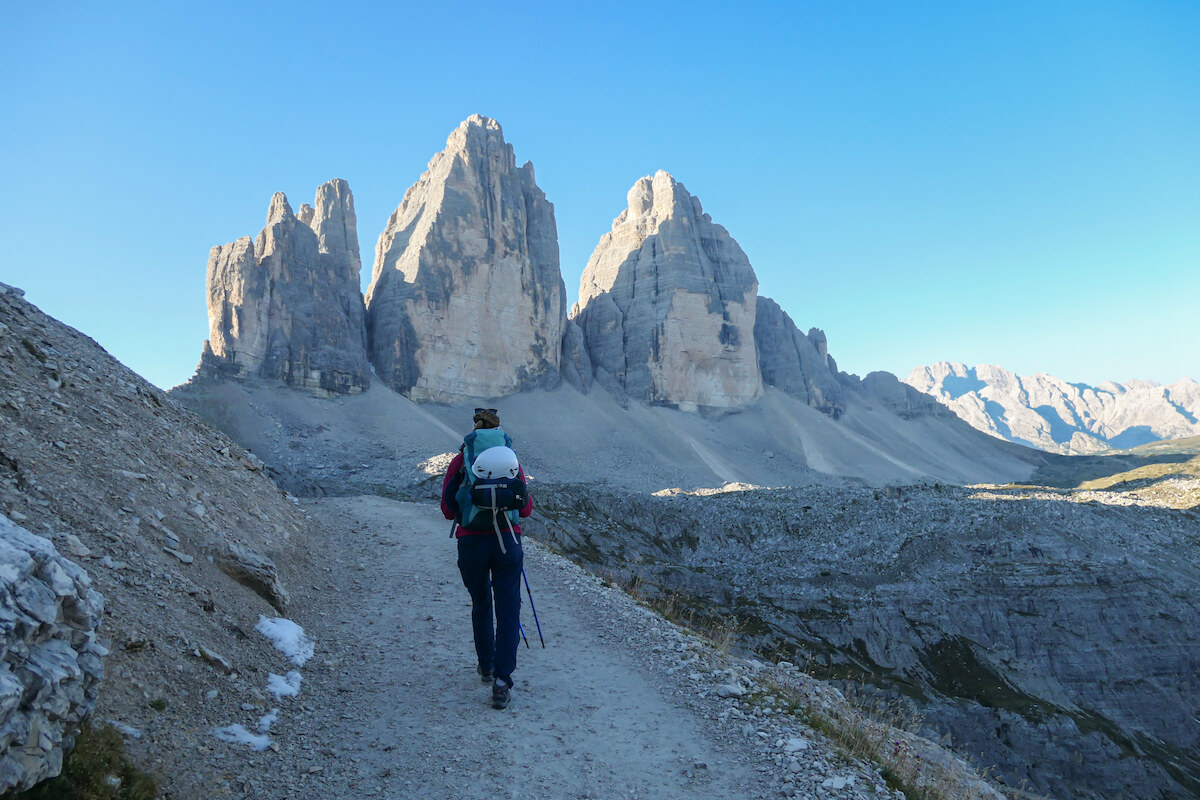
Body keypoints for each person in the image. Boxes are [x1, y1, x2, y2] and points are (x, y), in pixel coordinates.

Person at [440, 407, 532, 709]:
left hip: (471, 544)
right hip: (507, 541)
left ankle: (487, 665)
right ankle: (502, 683)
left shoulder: (461, 460)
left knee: (481, 603)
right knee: (509, 610)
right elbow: (526, 508)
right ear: (498, 430)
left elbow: (447, 510)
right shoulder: (511, 460)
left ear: (475, 430)